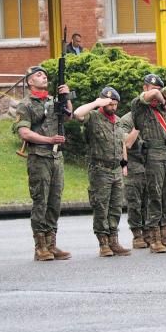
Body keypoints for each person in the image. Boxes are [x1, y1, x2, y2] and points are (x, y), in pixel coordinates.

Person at [127, 45, 166, 253]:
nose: (154, 93)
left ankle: (165, 235)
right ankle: (153, 238)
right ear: (145, 88)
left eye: (156, 89)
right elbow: (150, 96)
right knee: (154, 195)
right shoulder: (139, 104)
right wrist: (161, 99)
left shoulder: (162, 104)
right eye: (150, 88)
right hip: (152, 155)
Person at [13, 65, 75, 261]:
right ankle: (40, 246)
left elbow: (68, 116)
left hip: (56, 157)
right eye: (38, 75)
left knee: (54, 201)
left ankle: (51, 243)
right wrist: (49, 140)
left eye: (45, 75)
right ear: (30, 81)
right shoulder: (26, 104)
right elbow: (24, 132)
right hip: (39, 156)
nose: (43, 77)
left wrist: (66, 98)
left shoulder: (52, 101)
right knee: (41, 201)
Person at [74, 87, 130, 257]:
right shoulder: (93, 117)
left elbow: (121, 143)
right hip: (100, 169)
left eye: (115, 104)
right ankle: (103, 243)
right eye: (110, 103)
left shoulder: (118, 121)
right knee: (101, 207)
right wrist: (96, 103)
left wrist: (124, 164)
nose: (113, 107)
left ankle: (114, 240)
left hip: (116, 170)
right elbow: (77, 114)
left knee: (116, 207)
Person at [119, 111, 152, 248]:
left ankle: (148, 232)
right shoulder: (127, 120)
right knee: (135, 202)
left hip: (150, 163)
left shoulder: (152, 116)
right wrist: (137, 127)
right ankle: (137, 234)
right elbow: (127, 143)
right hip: (133, 164)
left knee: (149, 201)